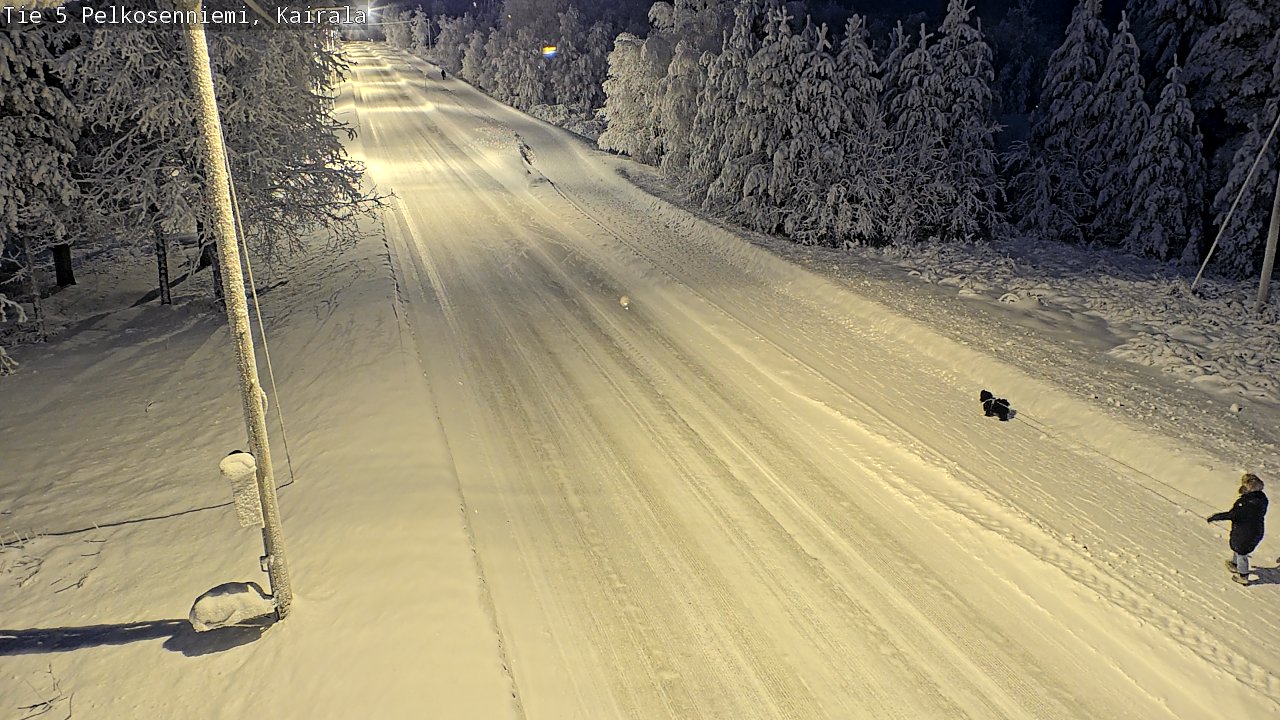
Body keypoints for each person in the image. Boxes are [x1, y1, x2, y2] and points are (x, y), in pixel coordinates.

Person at [1207, 473, 1268, 584]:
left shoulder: (1246, 503)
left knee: (1242, 552)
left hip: (1245, 532)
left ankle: (1243, 576)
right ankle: (1235, 564)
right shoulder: (1262, 498)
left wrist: (1216, 517)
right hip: (1255, 529)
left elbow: (1233, 514)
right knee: (1238, 547)